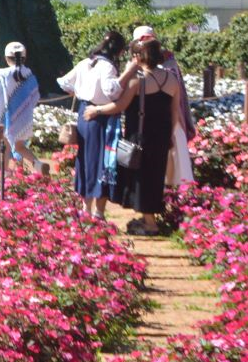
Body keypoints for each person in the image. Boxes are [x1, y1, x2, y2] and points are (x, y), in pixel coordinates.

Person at [106, 33, 181, 233]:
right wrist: (171, 135)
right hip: (162, 135)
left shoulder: (137, 80)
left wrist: (95, 110)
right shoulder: (172, 78)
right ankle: (148, 218)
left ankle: (150, 223)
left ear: (139, 57)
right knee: (156, 176)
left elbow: (120, 105)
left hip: (139, 135)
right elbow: (175, 112)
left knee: (141, 177)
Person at [64, 30, 127, 219]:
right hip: (101, 117)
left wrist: (82, 91)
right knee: (103, 162)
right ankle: (98, 211)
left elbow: (65, 83)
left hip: (84, 114)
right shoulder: (108, 67)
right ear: (119, 51)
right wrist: (125, 76)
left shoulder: (86, 62)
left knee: (85, 161)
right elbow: (112, 91)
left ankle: (86, 208)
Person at [133, 24, 196, 188]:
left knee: (176, 153)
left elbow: (176, 93)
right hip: (151, 117)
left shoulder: (168, 61)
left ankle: (178, 191)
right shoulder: (140, 62)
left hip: (168, 115)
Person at [0, 40, 42, 174]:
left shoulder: (1, 76)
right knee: (20, 147)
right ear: (24, 57)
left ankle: (6, 175)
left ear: (6, 58)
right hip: (24, 118)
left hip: (5, 118)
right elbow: (35, 96)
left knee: (5, 148)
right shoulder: (29, 75)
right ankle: (38, 164)